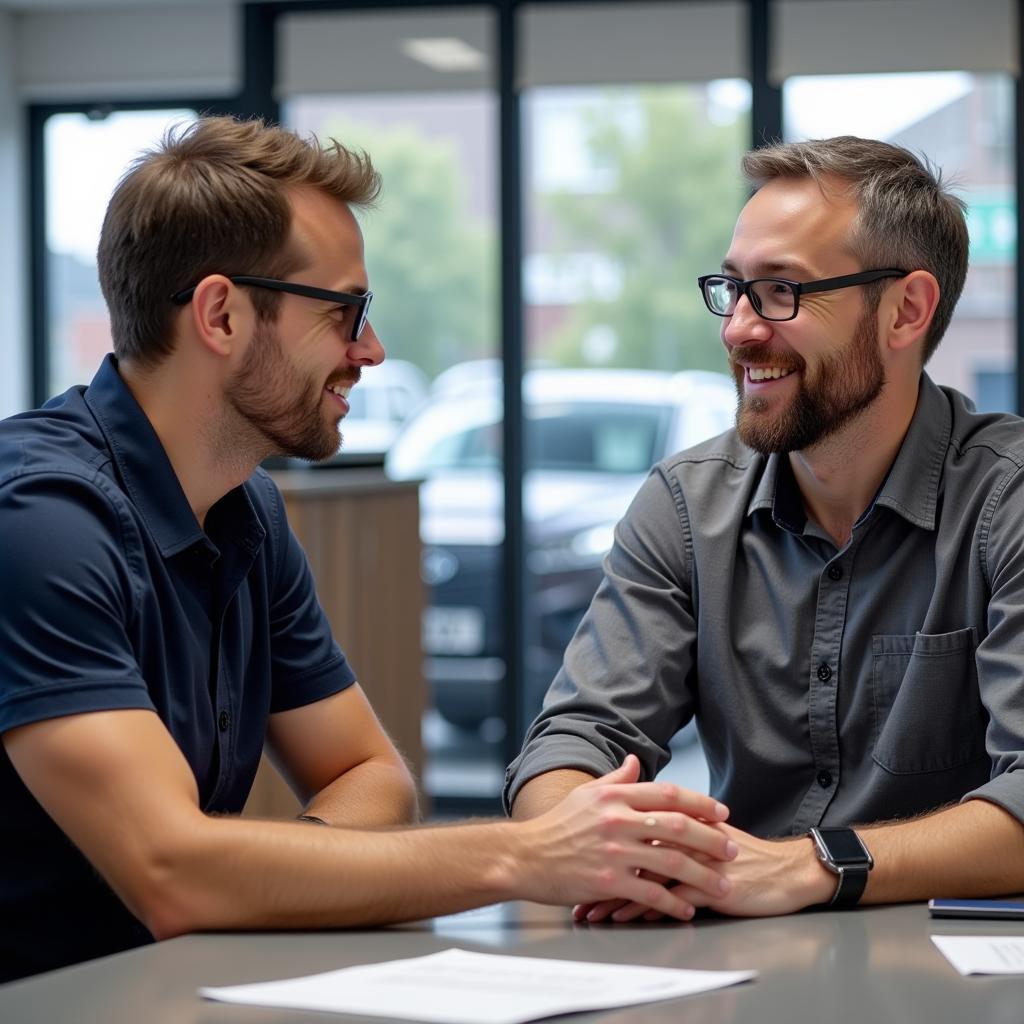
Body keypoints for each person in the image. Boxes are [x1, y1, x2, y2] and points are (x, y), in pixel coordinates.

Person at [0, 116, 738, 983]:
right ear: (221, 314)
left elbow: (370, 777)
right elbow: (173, 875)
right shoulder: (38, 521)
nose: (372, 351)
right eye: (346, 311)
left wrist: (260, 881)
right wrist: (531, 855)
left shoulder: (247, 513)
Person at [505, 136, 1024, 923]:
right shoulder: (683, 505)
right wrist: (613, 847)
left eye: (781, 292)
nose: (740, 330)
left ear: (906, 310)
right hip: (731, 961)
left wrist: (813, 866)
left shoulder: (1005, 500)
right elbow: (572, 742)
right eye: (734, 289)